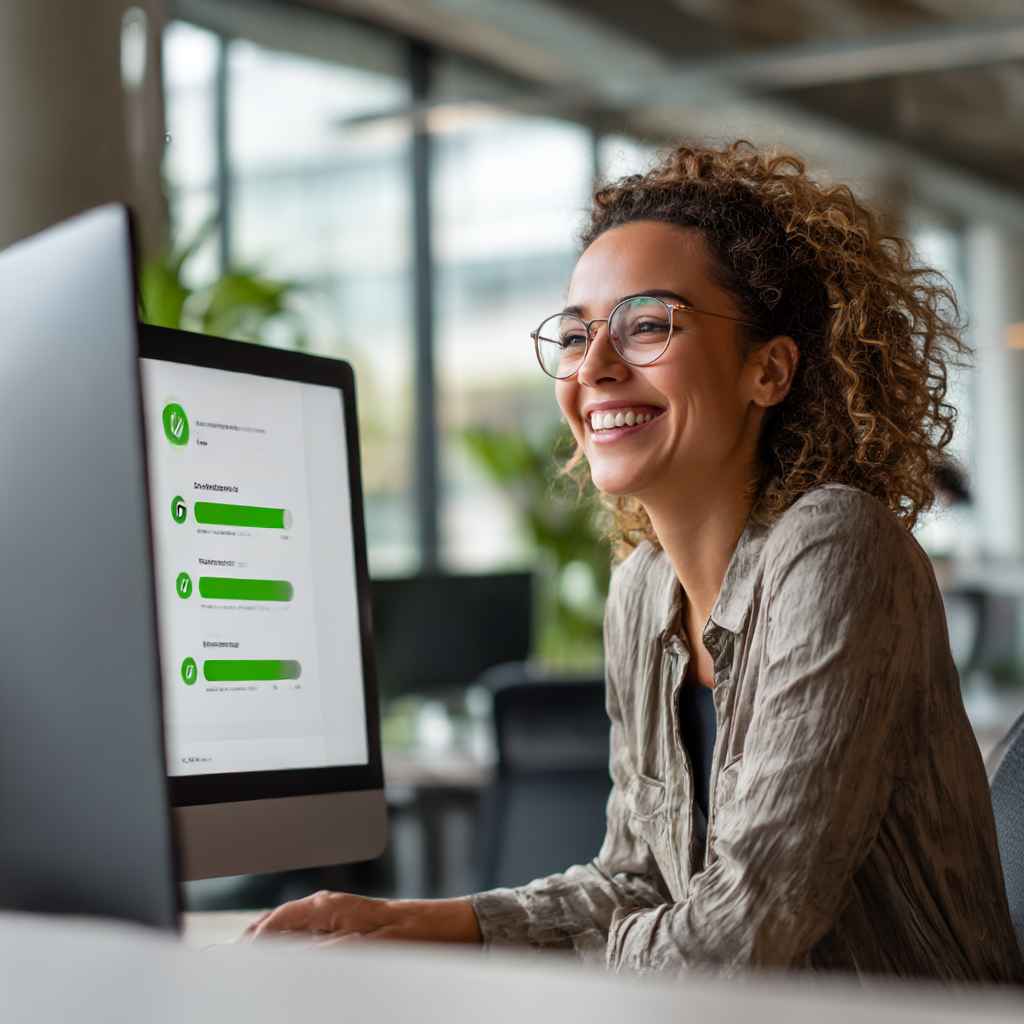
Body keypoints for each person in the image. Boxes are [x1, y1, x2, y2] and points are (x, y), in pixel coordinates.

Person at [245, 140, 1024, 983]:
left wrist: (503, 974)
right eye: (577, 335)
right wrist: (418, 923)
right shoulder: (642, 591)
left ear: (769, 370)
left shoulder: (836, 545)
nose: (596, 367)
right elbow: (636, 879)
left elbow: (744, 926)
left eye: (647, 325)